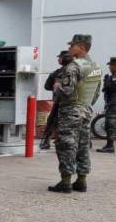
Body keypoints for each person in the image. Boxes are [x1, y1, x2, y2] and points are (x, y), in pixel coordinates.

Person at [49, 34, 102, 193]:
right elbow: (97, 92)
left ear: (82, 47)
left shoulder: (73, 66)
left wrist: (57, 86)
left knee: (66, 145)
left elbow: (66, 92)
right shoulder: (96, 66)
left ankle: (65, 182)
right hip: (86, 110)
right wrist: (86, 106)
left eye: (72, 46)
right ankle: (81, 180)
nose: (69, 48)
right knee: (83, 145)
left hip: (71, 110)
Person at [40, 50, 74, 150]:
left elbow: (47, 86)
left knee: (53, 121)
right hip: (70, 103)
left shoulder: (58, 73)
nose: (58, 59)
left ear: (65, 59)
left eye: (60, 57)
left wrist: (57, 89)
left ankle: (47, 142)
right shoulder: (77, 71)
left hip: (60, 102)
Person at [96, 56, 116, 153]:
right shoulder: (111, 77)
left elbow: (112, 89)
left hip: (114, 104)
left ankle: (110, 146)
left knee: (110, 124)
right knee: (110, 124)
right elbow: (106, 90)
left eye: (111, 65)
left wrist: (109, 83)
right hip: (111, 103)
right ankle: (109, 145)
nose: (110, 67)